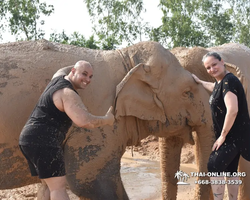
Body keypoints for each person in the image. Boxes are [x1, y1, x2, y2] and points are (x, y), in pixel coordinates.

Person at [19, 60, 115, 200]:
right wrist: (107, 119)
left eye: (90, 76)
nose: (88, 79)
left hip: (28, 139)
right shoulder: (68, 93)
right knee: (58, 188)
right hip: (44, 141)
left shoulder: (57, 78)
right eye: (84, 74)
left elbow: (62, 69)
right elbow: (85, 121)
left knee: (48, 185)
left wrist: (81, 66)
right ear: (73, 71)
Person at [192, 52, 250, 200]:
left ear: (222, 62)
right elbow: (215, 88)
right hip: (236, 134)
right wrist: (199, 81)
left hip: (233, 136)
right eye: (208, 67)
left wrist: (222, 136)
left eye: (214, 64)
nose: (212, 69)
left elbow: (233, 110)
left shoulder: (229, 81)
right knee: (231, 169)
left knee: (214, 165)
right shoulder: (222, 82)